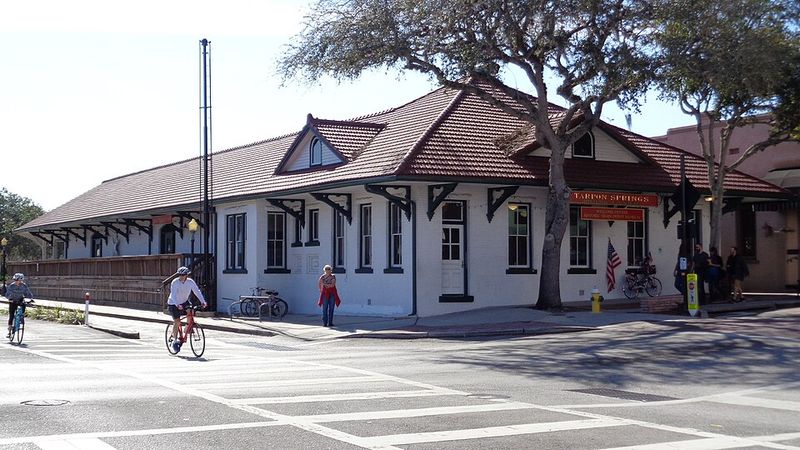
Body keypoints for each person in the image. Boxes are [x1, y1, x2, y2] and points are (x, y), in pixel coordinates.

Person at [167, 266, 206, 352]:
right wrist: (177, 304)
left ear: (186, 275)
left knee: (191, 311)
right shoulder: (175, 282)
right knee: (177, 321)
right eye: (180, 274)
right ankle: (175, 340)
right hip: (173, 302)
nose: (181, 276)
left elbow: (197, 291)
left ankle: (187, 328)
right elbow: (173, 295)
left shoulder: (190, 282)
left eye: (183, 275)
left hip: (184, 301)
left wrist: (203, 301)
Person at [6, 273, 34, 338]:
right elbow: (7, 294)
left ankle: (21, 317)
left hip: (20, 300)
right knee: (11, 315)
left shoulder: (24, 286)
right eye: (18, 280)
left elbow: (28, 293)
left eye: (21, 280)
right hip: (13, 301)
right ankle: (9, 332)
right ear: (15, 280)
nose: (19, 282)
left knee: (23, 305)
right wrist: (10, 298)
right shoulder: (11, 286)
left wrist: (30, 298)